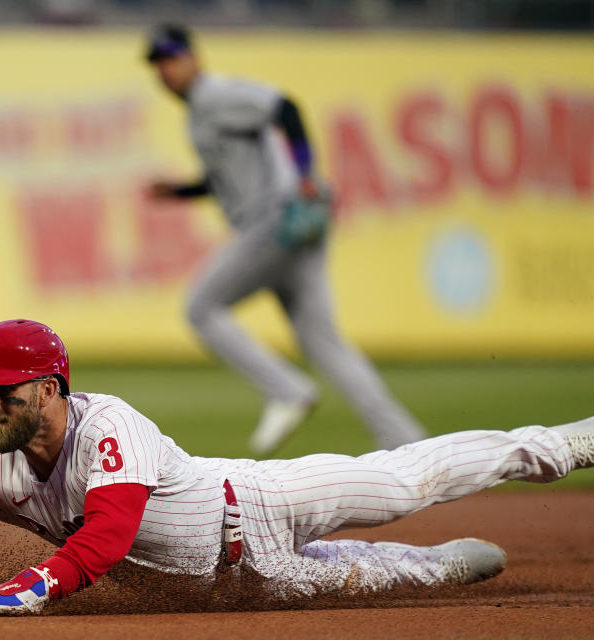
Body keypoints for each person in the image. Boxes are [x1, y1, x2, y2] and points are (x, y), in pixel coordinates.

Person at [0, 319, 594, 616]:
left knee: (399, 483)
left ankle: (556, 446)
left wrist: (33, 584)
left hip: (257, 501)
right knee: (386, 579)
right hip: (227, 589)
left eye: (4, 391)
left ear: (49, 388)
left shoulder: (109, 426)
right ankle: (442, 565)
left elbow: (110, 531)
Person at [144, 25, 426, 455]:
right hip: (289, 227)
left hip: (274, 220)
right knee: (324, 343)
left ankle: (287, 390)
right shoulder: (200, 111)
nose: (165, 70)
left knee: (200, 307)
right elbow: (223, 180)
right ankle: (403, 438)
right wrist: (180, 192)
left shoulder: (214, 95)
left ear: (194, 58)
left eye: (172, 58)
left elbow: (284, 107)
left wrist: (307, 171)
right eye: (158, 63)